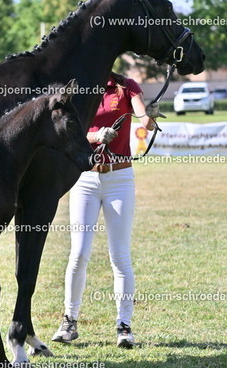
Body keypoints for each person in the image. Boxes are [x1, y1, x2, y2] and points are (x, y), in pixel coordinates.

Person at [52, 72, 159, 348]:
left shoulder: (126, 86)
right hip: (85, 178)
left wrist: (150, 116)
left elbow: (144, 121)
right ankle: (69, 320)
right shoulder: (79, 88)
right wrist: (96, 135)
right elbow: (67, 129)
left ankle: (124, 326)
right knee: (78, 253)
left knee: (120, 255)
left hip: (119, 178)